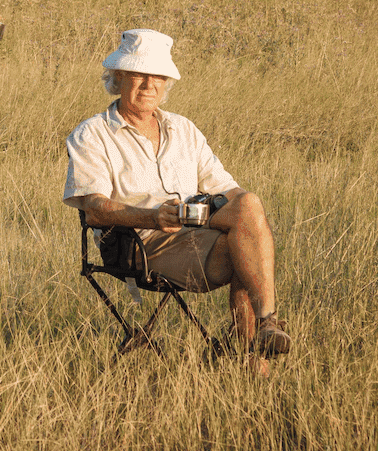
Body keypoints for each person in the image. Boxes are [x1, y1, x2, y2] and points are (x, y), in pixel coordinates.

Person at [62, 29, 293, 365]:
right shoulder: (92, 133)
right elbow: (95, 209)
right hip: (138, 245)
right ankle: (256, 349)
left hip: (196, 234)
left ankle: (260, 335)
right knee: (247, 251)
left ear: (167, 83)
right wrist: (152, 217)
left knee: (248, 210)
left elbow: (228, 189)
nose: (149, 85)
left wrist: (254, 223)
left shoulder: (183, 128)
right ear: (118, 77)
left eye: (158, 76)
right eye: (139, 74)